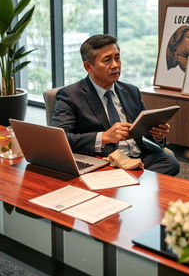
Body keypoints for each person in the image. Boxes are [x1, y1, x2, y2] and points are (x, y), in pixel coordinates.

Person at [51, 34, 180, 176]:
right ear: (88, 66)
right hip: (106, 159)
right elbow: (59, 138)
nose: (115, 65)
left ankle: (128, 182)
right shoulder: (70, 95)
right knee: (137, 177)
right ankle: (132, 183)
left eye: (117, 58)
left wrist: (157, 135)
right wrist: (104, 137)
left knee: (171, 163)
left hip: (138, 155)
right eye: (107, 60)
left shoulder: (131, 91)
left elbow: (143, 130)